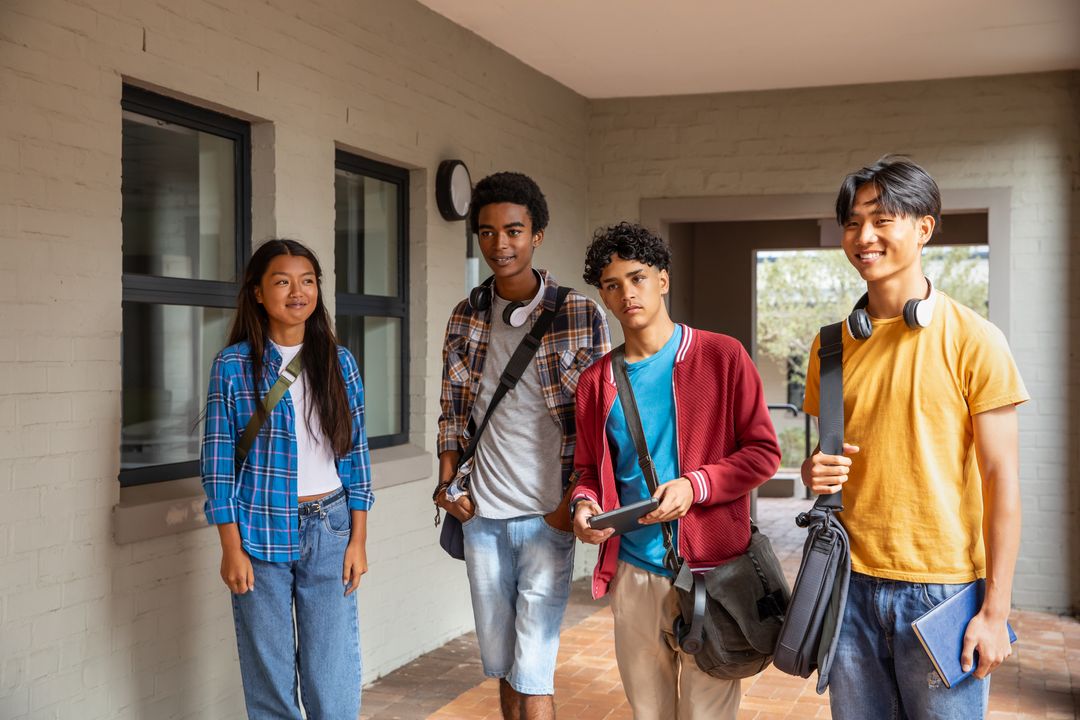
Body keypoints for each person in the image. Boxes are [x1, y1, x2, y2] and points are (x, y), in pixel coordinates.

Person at [802, 156, 1028, 719]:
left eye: (883, 219)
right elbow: (831, 458)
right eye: (852, 223)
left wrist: (995, 611)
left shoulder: (976, 339)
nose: (864, 237)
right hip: (848, 585)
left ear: (924, 227)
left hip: (943, 592)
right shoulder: (830, 347)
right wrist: (814, 471)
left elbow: (1002, 481)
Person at [570, 222, 781, 720]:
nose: (627, 294)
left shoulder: (721, 356)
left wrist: (697, 484)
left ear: (663, 279)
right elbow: (585, 469)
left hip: (713, 571)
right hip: (636, 574)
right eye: (612, 285)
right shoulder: (596, 383)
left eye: (638, 278)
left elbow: (763, 452)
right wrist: (585, 505)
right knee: (649, 714)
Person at [434, 172, 610, 720]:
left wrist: (570, 506)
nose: (499, 244)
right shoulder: (465, 316)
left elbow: (600, 421)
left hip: (546, 517)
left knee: (534, 671)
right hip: (480, 517)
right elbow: (452, 416)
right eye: (486, 233)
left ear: (536, 235)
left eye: (513, 230)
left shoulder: (580, 314)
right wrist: (446, 487)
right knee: (504, 667)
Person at [201, 239, 372, 719]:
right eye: (282, 281)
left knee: (331, 674)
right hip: (257, 532)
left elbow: (356, 458)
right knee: (270, 677)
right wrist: (230, 547)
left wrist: (358, 539)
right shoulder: (232, 366)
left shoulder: (341, 363)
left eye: (308, 281)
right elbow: (216, 465)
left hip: (331, 527)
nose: (297, 292)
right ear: (257, 292)